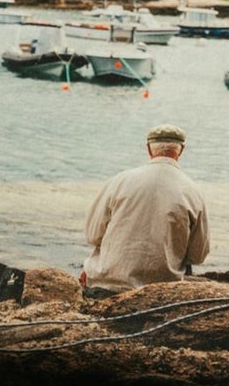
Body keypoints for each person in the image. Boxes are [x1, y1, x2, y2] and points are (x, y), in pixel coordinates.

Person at [82, 124, 210, 293]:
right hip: (159, 291)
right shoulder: (193, 191)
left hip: (107, 285)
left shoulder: (120, 181)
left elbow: (93, 235)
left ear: (149, 149)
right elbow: (198, 255)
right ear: (181, 150)